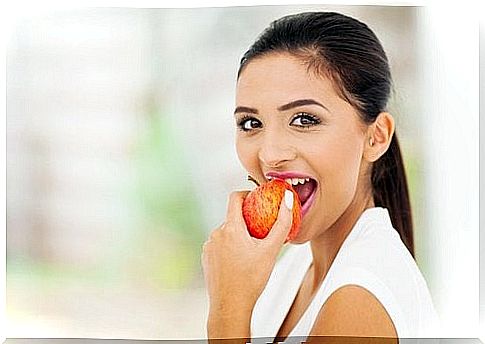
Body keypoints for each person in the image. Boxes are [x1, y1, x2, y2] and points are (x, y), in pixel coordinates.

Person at [201, 11, 440, 342]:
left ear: (376, 137)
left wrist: (228, 306)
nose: (269, 155)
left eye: (304, 119)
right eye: (251, 123)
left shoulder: (359, 298)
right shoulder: (296, 263)